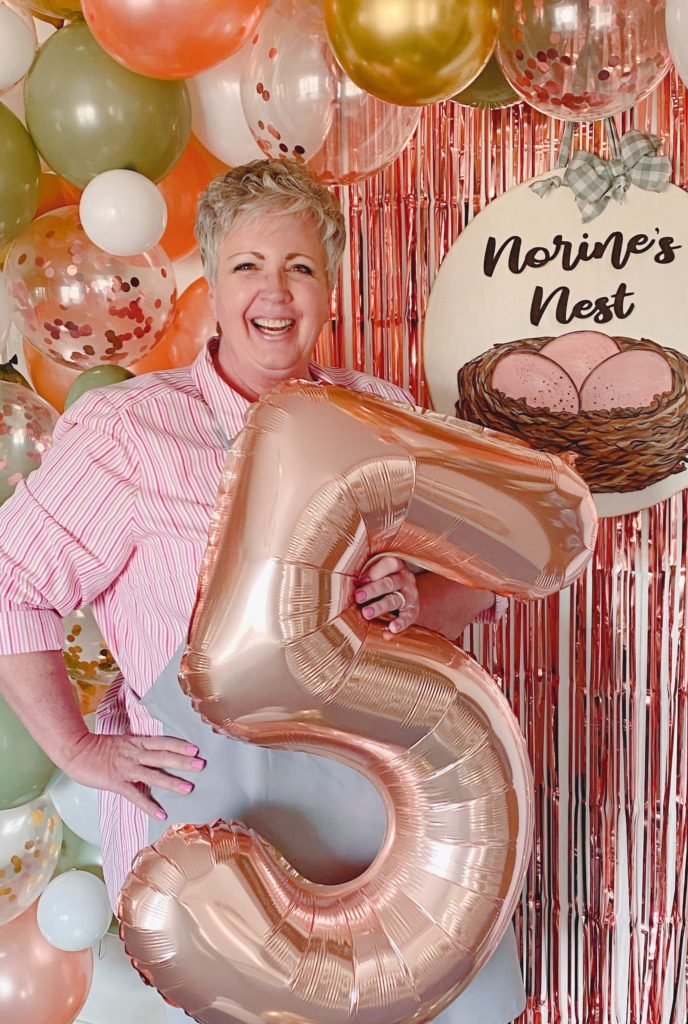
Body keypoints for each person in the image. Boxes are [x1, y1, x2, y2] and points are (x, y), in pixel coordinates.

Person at [0, 159, 524, 1024]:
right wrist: (76, 750)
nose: (273, 293)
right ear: (211, 281)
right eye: (248, 265)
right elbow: (13, 582)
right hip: (211, 848)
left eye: (300, 267)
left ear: (330, 288)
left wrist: (416, 600)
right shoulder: (132, 430)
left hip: (383, 828)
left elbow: (477, 584)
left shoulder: (379, 415)